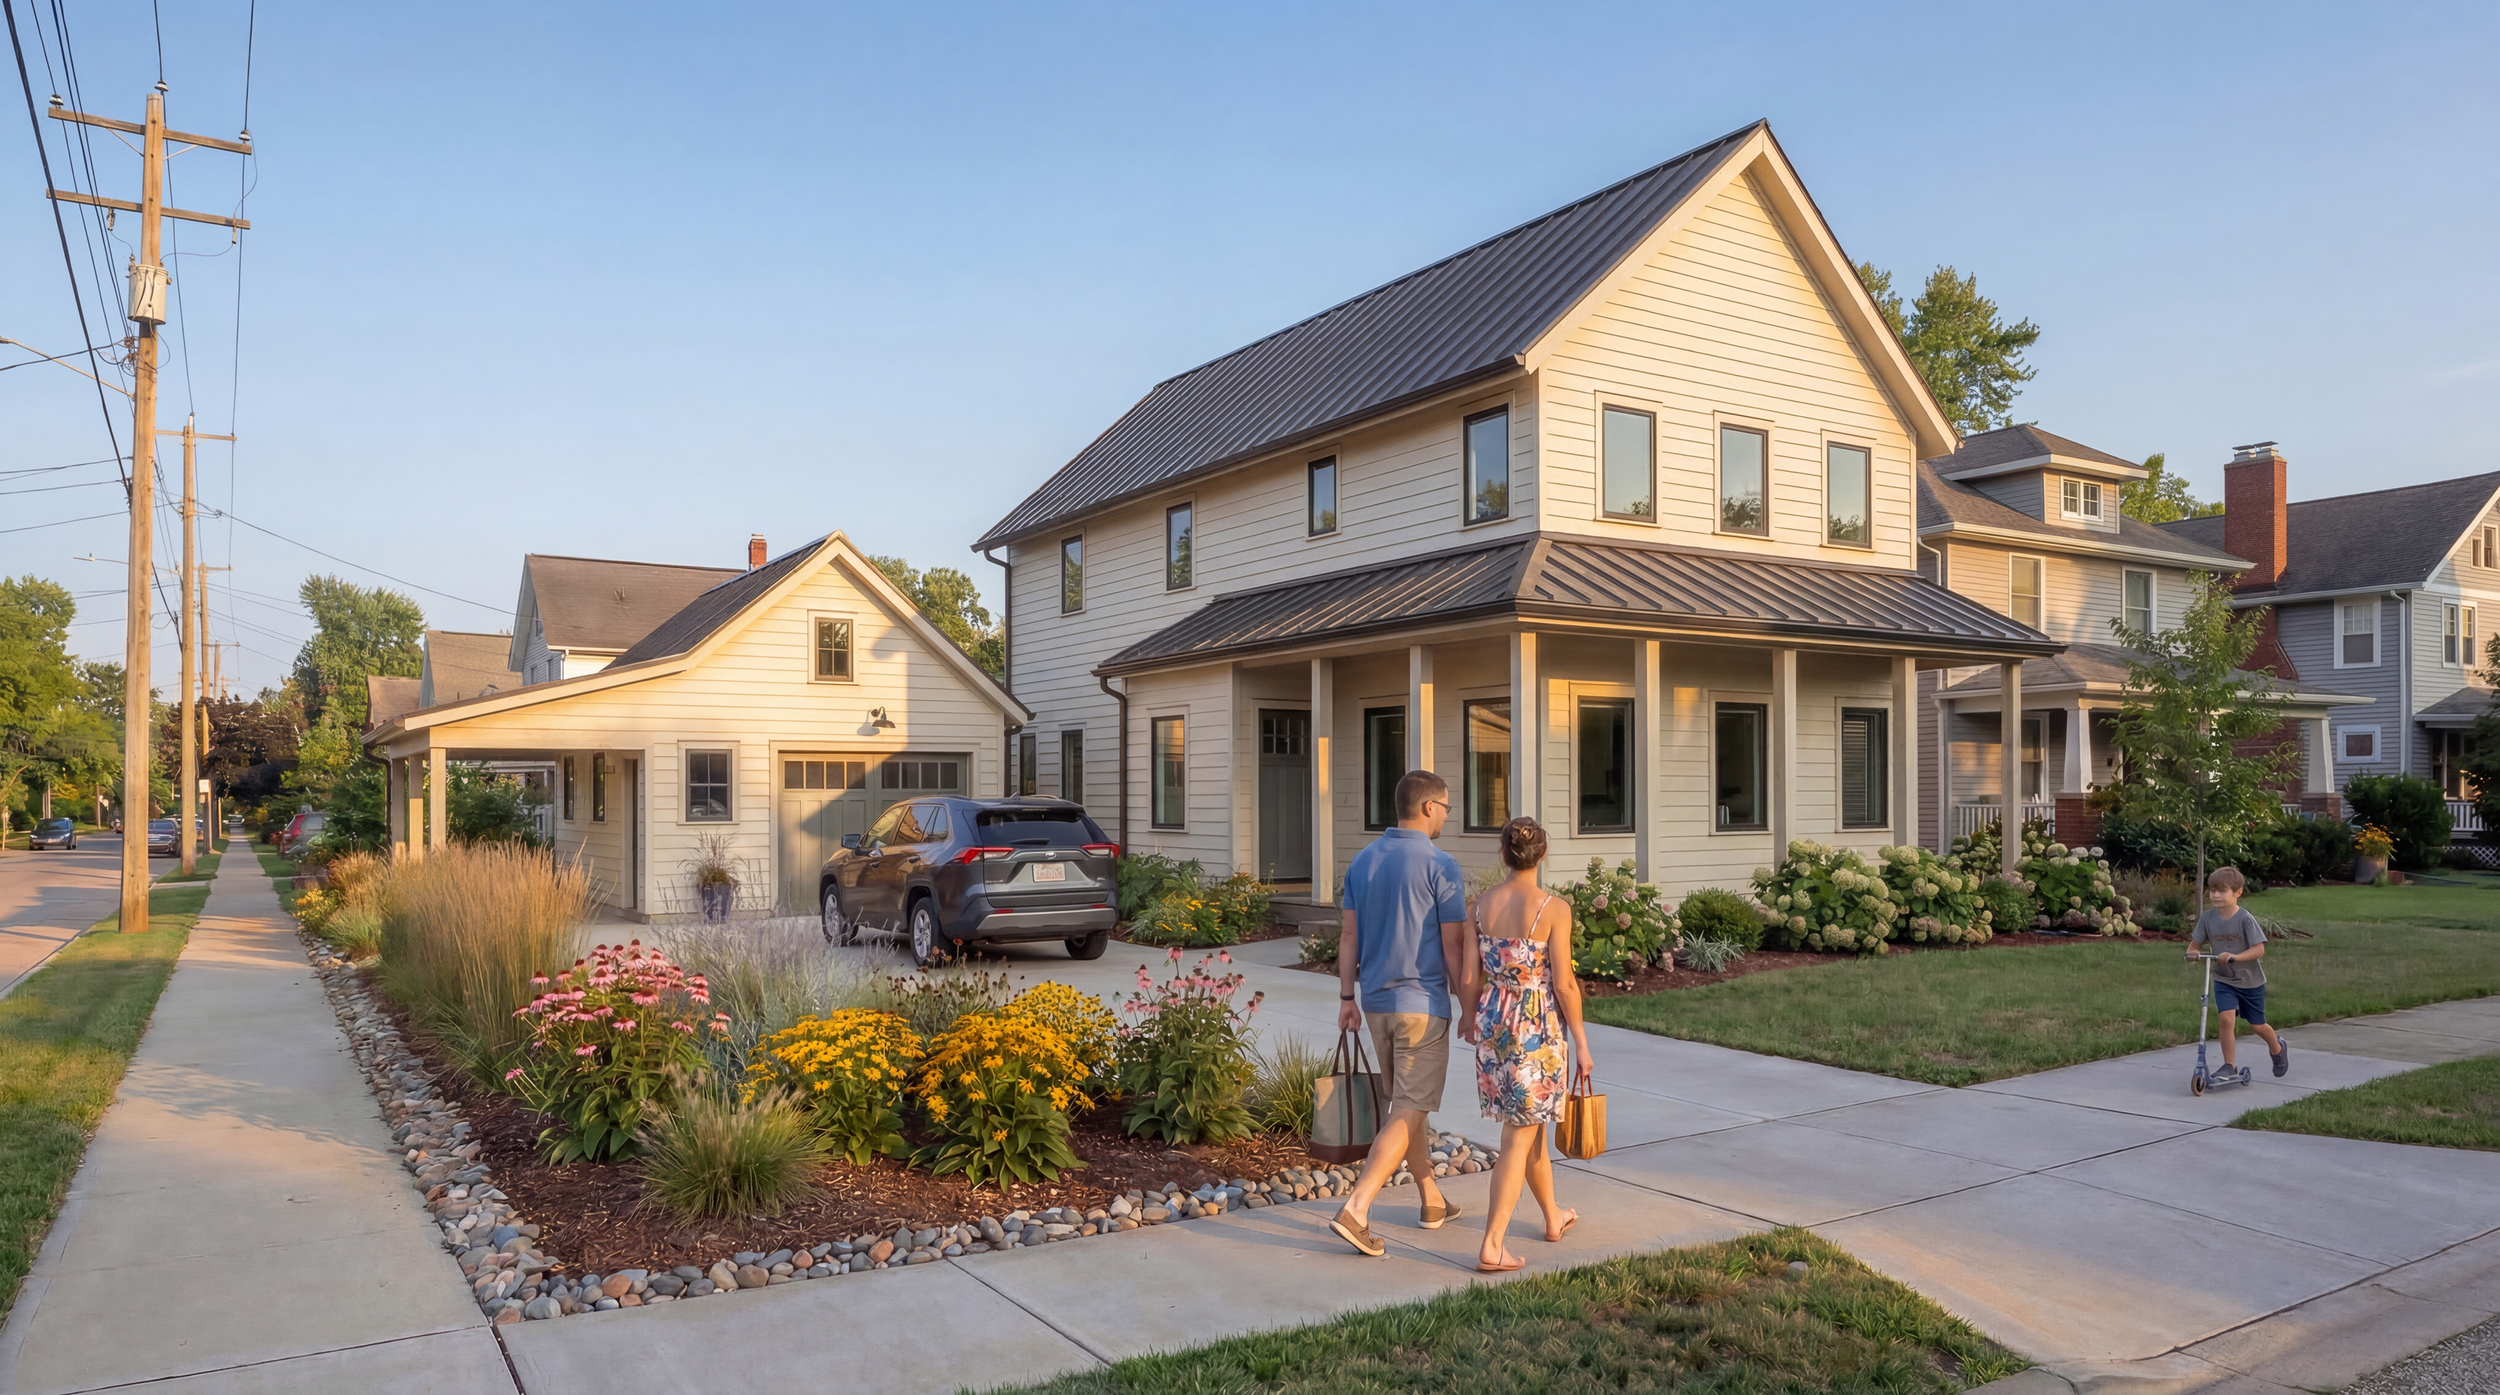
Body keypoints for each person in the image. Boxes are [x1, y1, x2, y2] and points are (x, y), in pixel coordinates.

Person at [1329, 769, 1468, 1258]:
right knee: (1410, 1109)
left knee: (1407, 1107)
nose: (1447, 815)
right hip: (1422, 1007)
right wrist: (1469, 1007)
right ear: (1429, 807)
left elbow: (1348, 937)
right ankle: (1356, 1208)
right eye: (1446, 807)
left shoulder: (1363, 861)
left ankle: (1431, 1199)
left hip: (1376, 1005)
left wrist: (1347, 998)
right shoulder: (1441, 865)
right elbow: (1454, 948)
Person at [1459, 816, 1590, 1273]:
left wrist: (1468, 1016)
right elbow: (1565, 984)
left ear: (1503, 853)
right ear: (1544, 855)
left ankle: (1552, 1216)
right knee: (1519, 1134)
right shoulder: (1553, 908)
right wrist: (1582, 1042)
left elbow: (1469, 975)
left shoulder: (1479, 907)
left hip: (1494, 1022)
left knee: (1529, 1125)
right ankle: (1492, 1244)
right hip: (1534, 1028)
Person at [2188, 866, 2288, 1079]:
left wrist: (2235, 956)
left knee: (2257, 1025)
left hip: (2250, 981)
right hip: (2224, 979)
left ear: (2238, 892)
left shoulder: (2244, 919)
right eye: (2212, 890)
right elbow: (2194, 945)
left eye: (2222, 891)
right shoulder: (2207, 918)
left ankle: (2277, 1048)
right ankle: (2229, 1066)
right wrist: (2193, 953)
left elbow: (2259, 949)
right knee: (2226, 1019)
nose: (2215, 895)